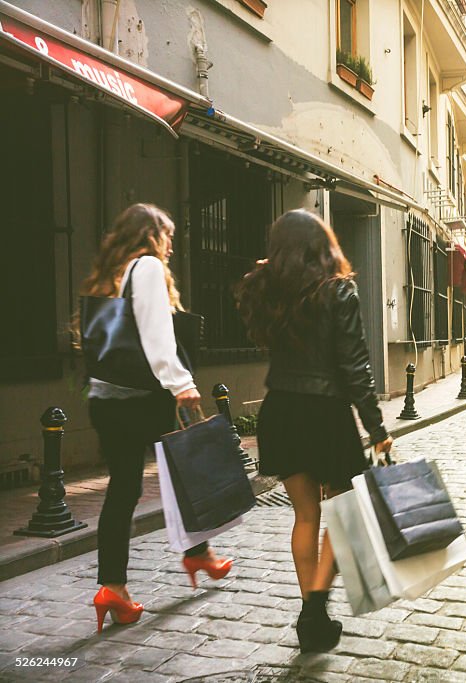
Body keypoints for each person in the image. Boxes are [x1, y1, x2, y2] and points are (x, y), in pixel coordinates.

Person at [236, 209, 393, 653]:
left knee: (306, 516)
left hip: (280, 410)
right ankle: (315, 608)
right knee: (350, 516)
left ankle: (312, 616)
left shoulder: (268, 292)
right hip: (324, 414)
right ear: (321, 246)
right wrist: (377, 427)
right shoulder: (338, 291)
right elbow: (355, 366)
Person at [81, 204, 232, 633]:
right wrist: (180, 381)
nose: (171, 246)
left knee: (124, 488)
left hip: (107, 400)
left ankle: (113, 587)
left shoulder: (114, 274)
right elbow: (155, 333)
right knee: (184, 472)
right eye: (167, 236)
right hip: (142, 400)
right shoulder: (145, 267)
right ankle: (198, 554)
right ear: (151, 236)